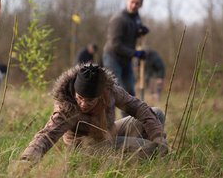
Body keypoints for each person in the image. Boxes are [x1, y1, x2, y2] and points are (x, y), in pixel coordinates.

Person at [18, 64, 168, 167]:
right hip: (84, 148)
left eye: (89, 100)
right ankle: (145, 156)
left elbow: (138, 108)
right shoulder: (67, 107)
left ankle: (139, 160)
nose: (83, 104)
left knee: (156, 114)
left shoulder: (110, 92)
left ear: (100, 94)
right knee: (150, 148)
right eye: (80, 98)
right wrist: (27, 159)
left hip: (109, 133)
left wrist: (158, 136)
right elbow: (47, 135)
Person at [103, 0, 149, 115]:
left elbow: (131, 32)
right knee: (115, 91)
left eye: (137, 3)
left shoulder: (136, 18)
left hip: (126, 59)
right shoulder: (118, 19)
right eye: (132, 2)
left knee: (129, 92)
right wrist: (136, 53)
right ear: (127, 1)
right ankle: (108, 124)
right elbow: (115, 45)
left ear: (141, 5)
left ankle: (128, 124)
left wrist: (140, 31)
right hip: (113, 58)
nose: (133, 5)